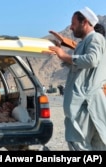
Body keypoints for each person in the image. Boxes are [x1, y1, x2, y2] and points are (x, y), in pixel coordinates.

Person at [48, 7, 106, 150]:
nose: (71, 27)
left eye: (73, 23)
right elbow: (78, 66)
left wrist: (64, 55)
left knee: (78, 144)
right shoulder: (83, 43)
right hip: (87, 103)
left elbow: (91, 60)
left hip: (84, 104)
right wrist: (60, 55)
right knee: (96, 145)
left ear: (84, 22)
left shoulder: (95, 38)